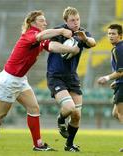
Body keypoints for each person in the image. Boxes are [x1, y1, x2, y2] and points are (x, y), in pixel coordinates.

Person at [0, 10, 80, 151]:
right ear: (32, 23)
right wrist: (62, 31)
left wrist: (69, 49)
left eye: (45, 20)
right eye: (41, 20)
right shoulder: (30, 34)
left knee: (34, 109)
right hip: (9, 80)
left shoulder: (40, 38)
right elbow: (40, 36)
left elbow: (51, 46)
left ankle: (38, 144)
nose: (45, 23)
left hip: (20, 80)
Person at [46, 6, 96, 152]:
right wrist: (70, 49)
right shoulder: (59, 31)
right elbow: (52, 46)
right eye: (72, 20)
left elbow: (93, 43)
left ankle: (69, 145)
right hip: (56, 76)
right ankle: (60, 120)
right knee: (69, 108)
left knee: (77, 115)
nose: (76, 23)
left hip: (72, 77)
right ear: (66, 21)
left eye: (77, 19)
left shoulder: (82, 32)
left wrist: (84, 38)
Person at [97, 24, 122, 152]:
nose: (111, 36)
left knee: (121, 114)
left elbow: (121, 71)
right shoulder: (117, 48)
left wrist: (107, 78)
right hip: (120, 83)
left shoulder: (119, 49)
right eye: (109, 33)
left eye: (114, 33)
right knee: (115, 113)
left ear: (120, 35)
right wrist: (116, 81)